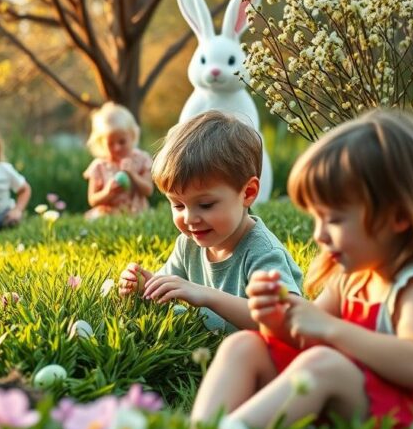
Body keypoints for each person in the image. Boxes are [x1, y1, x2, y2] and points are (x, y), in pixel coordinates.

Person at [191, 110, 413, 429]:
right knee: (244, 344)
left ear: (398, 218)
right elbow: (306, 339)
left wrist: (329, 328)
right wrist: (276, 321)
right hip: (359, 398)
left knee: (322, 366)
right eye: (317, 219)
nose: (320, 235)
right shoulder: (350, 278)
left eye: (335, 220)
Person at [119, 111, 303, 333]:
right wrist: (144, 285)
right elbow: (168, 289)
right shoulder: (188, 245)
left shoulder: (262, 252)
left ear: (248, 193)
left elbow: (284, 319)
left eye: (205, 205)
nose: (189, 218)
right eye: (178, 205)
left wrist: (207, 296)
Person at [83, 102, 153, 219]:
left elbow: (148, 190)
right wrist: (107, 192)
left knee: (145, 218)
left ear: (132, 136)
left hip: (137, 212)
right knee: (95, 219)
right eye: (110, 144)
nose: (117, 148)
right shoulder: (99, 166)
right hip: (109, 214)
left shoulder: (142, 159)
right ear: (101, 142)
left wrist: (132, 174)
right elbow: (92, 200)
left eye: (122, 142)